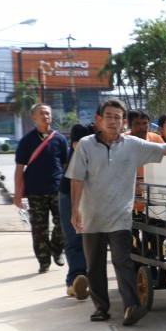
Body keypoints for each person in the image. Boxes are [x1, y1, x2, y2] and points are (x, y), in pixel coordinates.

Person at [67, 100, 166, 326]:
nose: (112, 121)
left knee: (123, 261)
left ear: (123, 122)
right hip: (91, 215)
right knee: (94, 265)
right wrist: (75, 210)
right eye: (108, 116)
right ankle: (101, 308)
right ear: (99, 119)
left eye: (117, 117)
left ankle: (130, 307)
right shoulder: (85, 144)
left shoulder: (133, 145)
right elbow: (76, 178)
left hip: (120, 215)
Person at [13, 103, 69, 274]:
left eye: (48, 113)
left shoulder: (60, 139)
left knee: (64, 223)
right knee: (39, 229)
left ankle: (56, 250)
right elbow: (19, 168)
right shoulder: (26, 141)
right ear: (34, 118)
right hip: (35, 192)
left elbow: (66, 166)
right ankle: (44, 261)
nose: (46, 116)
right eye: (42, 113)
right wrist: (17, 193)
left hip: (57, 190)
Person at [58, 123, 92, 300]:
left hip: (93, 194)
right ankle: (75, 280)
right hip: (69, 193)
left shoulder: (112, 136)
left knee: (92, 238)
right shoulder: (81, 129)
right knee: (73, 237)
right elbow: (79, 148)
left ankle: (85, 279)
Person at [128, 109, 166, 214]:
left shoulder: (156, 139)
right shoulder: (122, 141)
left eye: (144, 123)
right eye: (137, 124)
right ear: (130, 125)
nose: (141, 127)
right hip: (130, 201)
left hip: (154, 199)